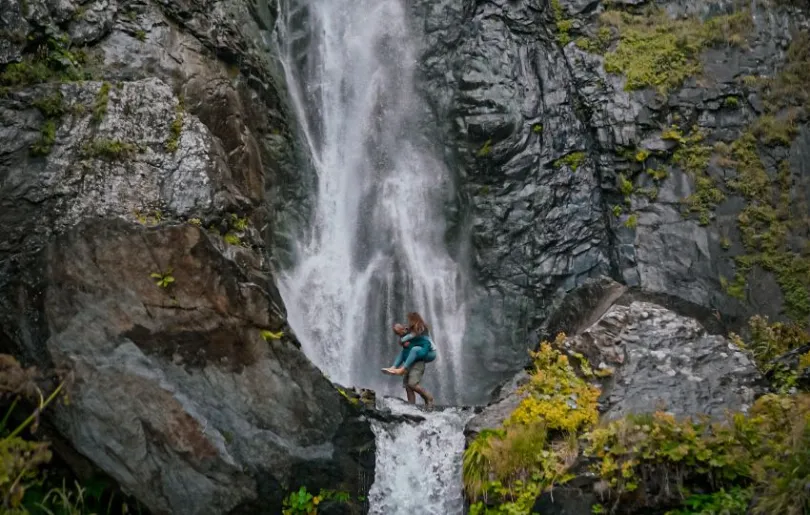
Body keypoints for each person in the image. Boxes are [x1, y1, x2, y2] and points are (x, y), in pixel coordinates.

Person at [381, 312, 436, 408]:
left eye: (410, 320)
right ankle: (411, 407)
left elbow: (413, 336)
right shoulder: (408, 330)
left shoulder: (420, 328)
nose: (408, 322)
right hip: (410, 359)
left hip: (419, 358)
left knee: (412, 384)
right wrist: (401, 336)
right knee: (408, 386)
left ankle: (429, 397)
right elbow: (403, 336)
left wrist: (403, 340)